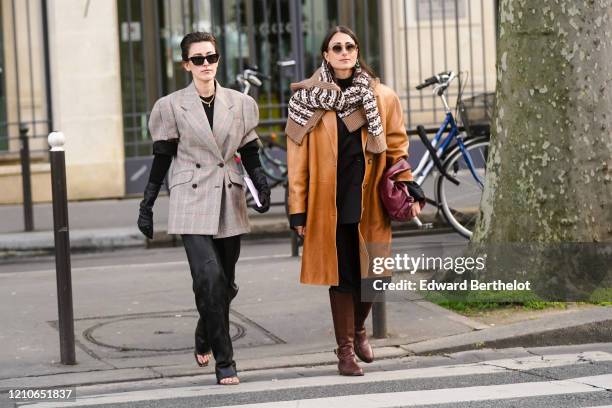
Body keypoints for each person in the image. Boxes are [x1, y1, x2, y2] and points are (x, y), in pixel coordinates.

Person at [286, 26, 423, 376]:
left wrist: (406, 183)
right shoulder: (307, 100)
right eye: (337, 47)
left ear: (357, 51)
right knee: (343, 277)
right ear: (326, 55)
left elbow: (396, 147)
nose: (344, 51)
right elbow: (297, 162)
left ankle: (360, 328)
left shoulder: (382, 96)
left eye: (350, 46)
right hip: (329, 202)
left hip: (372, 198)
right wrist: (297, 210)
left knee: (377, 275)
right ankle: (345, 351)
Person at [136, 32, 271, 385]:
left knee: (224, 284)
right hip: (190, 197)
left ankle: (203, 331)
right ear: (186, 65)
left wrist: (260, 179)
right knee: (208, 277)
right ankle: (225, 362)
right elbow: (162, 157)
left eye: (211, 57)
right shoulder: (170, 105)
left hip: (229, 194)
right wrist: (147, 204)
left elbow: (250, 148)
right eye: (198, 59)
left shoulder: (240, 103)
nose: (206, 64)